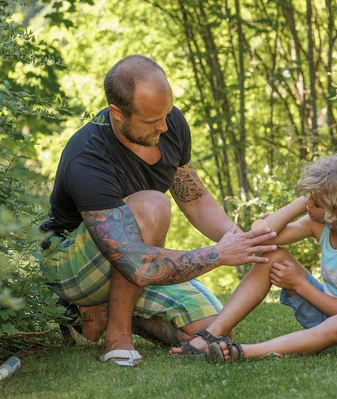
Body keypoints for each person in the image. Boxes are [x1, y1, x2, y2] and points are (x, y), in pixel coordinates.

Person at [40, 55, 277, 365]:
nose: (165, 126)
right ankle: (117, 339)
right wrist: (219, 254)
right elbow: (136, 262)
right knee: (152, 205)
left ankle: (97, 314)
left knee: (215, 331)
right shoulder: (87, 155)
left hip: (132, 262)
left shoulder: (171, 123)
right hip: (70, 266)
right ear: (117, 113)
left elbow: (193, 196)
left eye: (166, 113)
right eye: (152, 120)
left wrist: (239, 239)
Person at [170, 152, 337, 362]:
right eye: (307, 196)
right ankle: (213, 333)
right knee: (273, 255)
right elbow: (262, 236)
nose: (308, 202)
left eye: (316, 202)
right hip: (327, 313)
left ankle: (244, 351)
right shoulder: (320, 223)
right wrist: (303, 203)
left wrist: (299, 284)